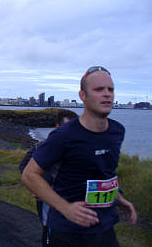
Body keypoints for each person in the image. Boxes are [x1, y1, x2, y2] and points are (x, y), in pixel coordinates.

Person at [22, 66, 137, 247]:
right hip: (68, 233)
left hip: (105, 229)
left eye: (110, 89)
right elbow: (29, 175)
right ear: (83, 96)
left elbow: (105, 172)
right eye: (99, 90)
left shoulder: (117, 131)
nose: (107, 94)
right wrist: (65, 208)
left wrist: (119, 198)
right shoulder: (64, 136)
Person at [19, 109, 78, 246]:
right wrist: (36, 188)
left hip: (71, 204)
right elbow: (24, 166)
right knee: (50, 234)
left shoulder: (78, 149)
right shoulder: (43, 146)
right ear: (58, 127)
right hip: (48, 203)